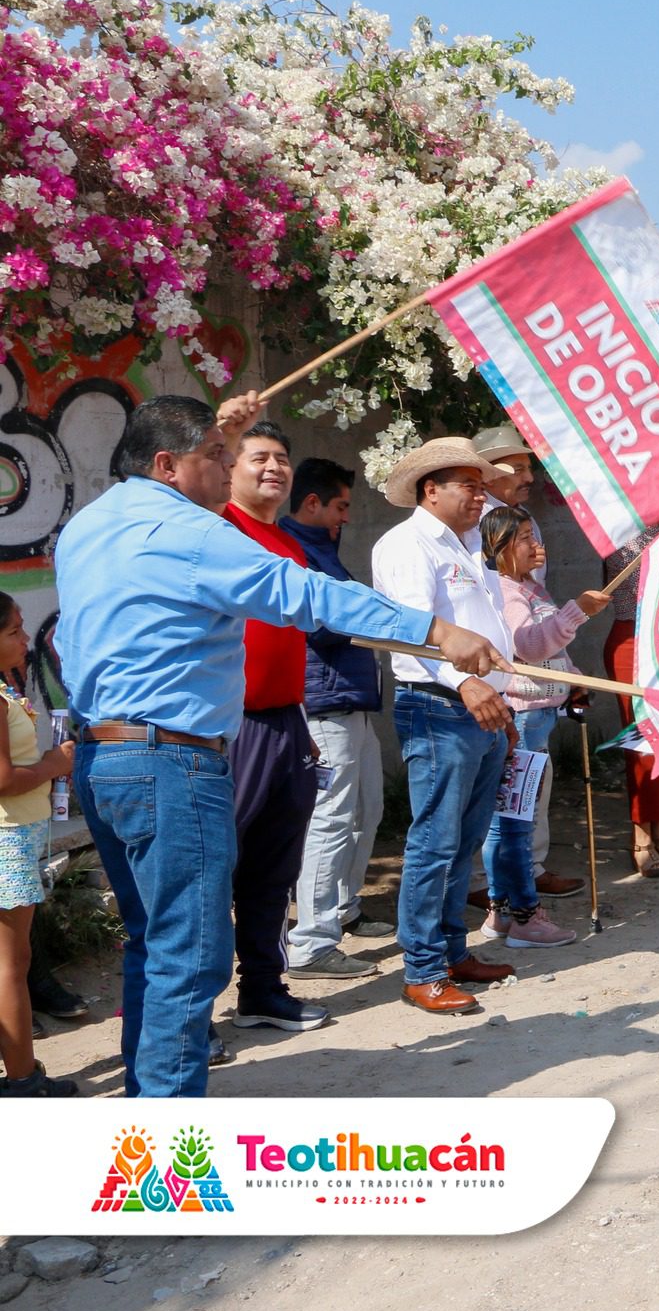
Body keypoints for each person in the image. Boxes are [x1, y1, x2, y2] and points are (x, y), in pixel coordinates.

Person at [56, 395, 505, 1095]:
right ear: (169, 465)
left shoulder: (88, 526)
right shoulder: (191, 534)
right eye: (216, 453)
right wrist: (438, 632)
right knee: (190, 954)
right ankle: (166, 1147)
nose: (230, 462)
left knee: (154, 942)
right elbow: (304, 594)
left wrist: (222, 430)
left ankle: (146, 1113)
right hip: (171, 760)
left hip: (103, 756)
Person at [371, 437, 527, 1016]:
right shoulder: (408, 545)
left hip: (481, 706)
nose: (479, 492)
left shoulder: (464, 545)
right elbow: (413, 633)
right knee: (434, 842)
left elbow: (484, 630)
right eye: (468, 482)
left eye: (482, 482)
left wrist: (498, 701)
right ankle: (423, 969)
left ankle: (452, 951)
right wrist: (466, 684)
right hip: (440, 705)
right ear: (430, 489)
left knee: (463, 842)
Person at [219, 421, 332, 1045]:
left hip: (285, 721)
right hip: (227, 726)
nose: (274, 468)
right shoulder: (217, 527)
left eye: (282, 458)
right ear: (226, 468)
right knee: (211, 872)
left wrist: (299, 724)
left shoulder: (287, 541)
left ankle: (262, 988)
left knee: (273, 868)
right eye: (259, 457)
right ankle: (183, 1015)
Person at [279, 457, 395, 981]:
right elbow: (320, 622)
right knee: (330, 817)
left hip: (352, 700)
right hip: (324, 704)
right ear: (312, 504)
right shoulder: (295, 552)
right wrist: (374, 608)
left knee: (367, 809)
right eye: (340, 506)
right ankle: (311, 940)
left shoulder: (324, 550)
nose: (346, 516)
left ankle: (345, 911)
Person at [479, 506, 608, 947]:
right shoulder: (506, 592)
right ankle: (525, 917)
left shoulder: (529, 588)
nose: (539, 546)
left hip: (539, 713)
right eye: (526, 539)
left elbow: (550, 652)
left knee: (511, 818)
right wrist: (579, 612)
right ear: (500, 548)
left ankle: (500, 912)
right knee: (515, 820)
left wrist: (570, 679)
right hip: (523, 716)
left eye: (537, 536)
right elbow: (530, 646)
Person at [469, 425, 580, 899]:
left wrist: (570, 675)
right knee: (511, 801)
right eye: (516, 468)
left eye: (528, 466)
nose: (527, 475)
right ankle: (503, 891)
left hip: (541, 698)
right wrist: (578, 613)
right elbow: (523, 639)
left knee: (531, 791)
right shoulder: (481, 527)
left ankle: (525, 876)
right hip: (516, 694)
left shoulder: (516, 518)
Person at [0, 591, 76, 1097]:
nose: (26, 640)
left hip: (15, 834)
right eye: (13, 631)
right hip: (7, 839)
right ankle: (23, 1079)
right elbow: (2, 780)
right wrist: (54, 765)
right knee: (13, 963)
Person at [603, 526, 659, 874]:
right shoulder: (616, 527)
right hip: (633, 639)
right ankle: (642, 835)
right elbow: (630, 579)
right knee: (643, 742)